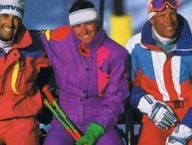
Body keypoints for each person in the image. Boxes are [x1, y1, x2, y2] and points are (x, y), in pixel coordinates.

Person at [40, 0, 130, 145]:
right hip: (64, 119)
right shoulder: (60, 42)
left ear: (97, 22)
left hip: (101, 120)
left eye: (88, 23)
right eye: (77, 26)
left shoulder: (116, 54)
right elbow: (31, 41)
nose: (83, 30)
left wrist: (96, 130)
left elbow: (116, 98)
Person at [125, 0, 192, 145]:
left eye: (172, 14)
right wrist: (149, 106)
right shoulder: (135, 46)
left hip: (191, 116)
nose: (169, 21)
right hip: (156, 115)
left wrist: (184, 132)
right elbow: (124, 83)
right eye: (162, 16)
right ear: (152, 19)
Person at [0, 0, 50, 144]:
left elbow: (67, 49)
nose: (10, 24)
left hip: (20, 122)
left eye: (15, 17)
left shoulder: (35, 46)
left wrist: (51, 84)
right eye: (5, 15)